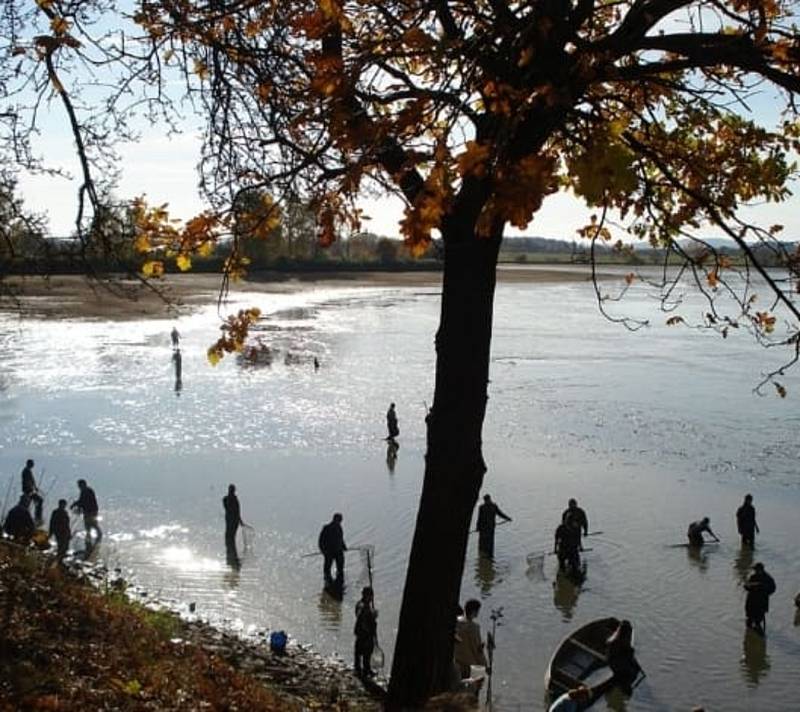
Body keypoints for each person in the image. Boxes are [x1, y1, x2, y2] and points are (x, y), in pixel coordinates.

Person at [454, 599, 488, 679]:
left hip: (457, 662)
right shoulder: (473, 627)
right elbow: (477, 650)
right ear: (474, 612)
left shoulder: (456, 622)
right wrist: (485, 666)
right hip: (469, 666)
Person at [606, 620, 641, 693]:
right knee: (633, 672)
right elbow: (630, 659)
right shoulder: (627, 647)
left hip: (612, 663)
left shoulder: (612, 641)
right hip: (619, 667)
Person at [744, 562, 776, 634]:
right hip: (751, 600)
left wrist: (763, 589)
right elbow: (746, 586)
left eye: (756, 570)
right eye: (755, 570)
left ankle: (758, 631)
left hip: (762, 601)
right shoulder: (753, 577)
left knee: (758, 618)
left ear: (761, 570)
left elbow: (773, 588)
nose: (755, 571)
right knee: (749, 617)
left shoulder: (768, 579)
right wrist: (750, 587)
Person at [353, 586, 378, 678]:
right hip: (364, 633)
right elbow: (362, 618)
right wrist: (372, 616)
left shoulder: (361, 604)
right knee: (364, 651)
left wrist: (372, 615)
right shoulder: (363, 606)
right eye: (371, 596)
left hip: (361, 632)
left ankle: (364, 669)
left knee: (364, 652)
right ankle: (360, 670)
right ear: (367, 596)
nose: (372, 598)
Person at [70, 479, 102, 545]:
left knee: (92, 524)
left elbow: (83, 501)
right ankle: (90, 539)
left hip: (91, 511)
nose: (79, 487)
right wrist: (78, 506)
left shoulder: (87, 491)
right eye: (78, 485)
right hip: (89, 511)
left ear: (83, 484)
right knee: (89, 526)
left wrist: (74, 505)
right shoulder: (84, 491)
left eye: (79, 485)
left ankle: (97, 536)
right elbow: (82, 501)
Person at [318, 512, 347, 584]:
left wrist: (344, 546)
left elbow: (341, 539)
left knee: (340, 567)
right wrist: (324, 551)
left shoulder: (339, 527)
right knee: (327, 568)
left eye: (340, 520)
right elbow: (321, 541)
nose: (340, 522)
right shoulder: (326, 528)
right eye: (339, 520)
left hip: (339, 551)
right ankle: (327, 580)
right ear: (334, 519)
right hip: (329, 552)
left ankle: (339, 580)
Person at [222, 484, 244, 554]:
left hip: (234, 520)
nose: (231, 491)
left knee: (231, 536)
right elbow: (228, 508)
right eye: (231, 490)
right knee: (228, 536)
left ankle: (232, 553)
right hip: (229, 520)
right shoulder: (226, 499)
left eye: (232, 490)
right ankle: (230, 553)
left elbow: (237, 511)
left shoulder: (234, 500)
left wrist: (240, 520)